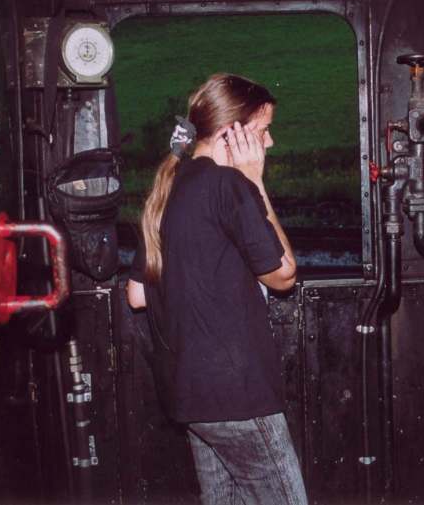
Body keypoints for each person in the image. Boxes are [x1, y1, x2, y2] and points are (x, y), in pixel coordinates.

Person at [126, 73, 307, 505]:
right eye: (263, 130)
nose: (270, 143)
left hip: (191, 396)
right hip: (238, 395)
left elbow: (137, 293)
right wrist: (255, 181)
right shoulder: (230, 185)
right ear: (232, 133)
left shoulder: (171, 185)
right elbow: (284, 275)